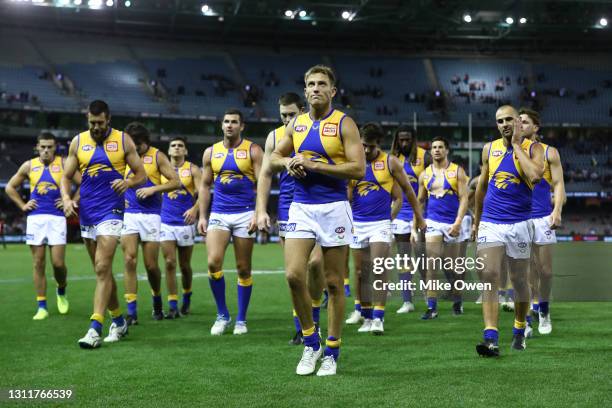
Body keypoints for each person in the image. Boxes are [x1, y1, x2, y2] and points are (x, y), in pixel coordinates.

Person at [270, 65, 366, 376]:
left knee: (335, 283)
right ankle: (312, 342)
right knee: (293, 275)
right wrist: (288, 162)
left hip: (335, 207)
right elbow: (274, 157)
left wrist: (314, 165)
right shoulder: (296, 124)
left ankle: (333, 352)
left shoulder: (344, 124)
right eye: (310, 84)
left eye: (321, 84)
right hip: (301, 207)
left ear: (332, 91)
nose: (315, 89)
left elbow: (358, 170)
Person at [61, 100, 147, 349]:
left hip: (112, 210)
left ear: (108, 119)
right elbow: (66, 177)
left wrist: (128, 183)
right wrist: (67, 198)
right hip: (87, 212)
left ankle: (95, 327)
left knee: (102, 267)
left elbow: (140, 174)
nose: (96, 127)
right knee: (103, 271)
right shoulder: (78, 142)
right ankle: (119, 320)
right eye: (92, 123)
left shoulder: (123, 141)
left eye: (100, 123)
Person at [473, 105, 544, 357]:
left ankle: (519, 326)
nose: (504, 124)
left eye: (509, 120)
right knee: (489, 274)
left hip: (520, 224)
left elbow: (535, 176)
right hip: (491, 222)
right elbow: (482, 186)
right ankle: (490, 337)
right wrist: (476, 220)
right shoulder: (488, 149)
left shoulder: (534, 149)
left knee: (519, 281)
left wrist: (516, 145)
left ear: (518, 122)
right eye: (500, 121)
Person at [254, 92, 325, 346]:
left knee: (316, 264)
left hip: (318, 203)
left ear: (302, 110)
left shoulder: (317, 130)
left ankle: (314, 312)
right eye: (283, 115)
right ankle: (303, 327)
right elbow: (265, 174)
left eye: (291, 115)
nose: (287, 120)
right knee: (295, 272)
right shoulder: (274, 137)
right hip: (287, 207)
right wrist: (260, 210)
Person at [347, 123, 425, 335]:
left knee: (379, 268)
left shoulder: (390, 162)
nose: (365, 150)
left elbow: (406, 194)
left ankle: (379, 317)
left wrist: (416, 217)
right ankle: (366, 315)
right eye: (362, 145)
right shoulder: (354, 163)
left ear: (378, 144)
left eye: (369, 147)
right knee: (362, 272)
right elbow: (347, 195)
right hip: (357, 223)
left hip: (380, 224)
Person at [197, 109, 263, 336]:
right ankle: (222, 314)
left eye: (234, 122)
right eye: (226, 121)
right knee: (214, 262)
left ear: (241, 126)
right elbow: (205, 186)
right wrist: (203, 216)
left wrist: (258, 211)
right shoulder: (210, 153)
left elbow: (261, 182)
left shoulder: (253, 150)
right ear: (221, 125)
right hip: (219, 213)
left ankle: (241, 320)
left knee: (243, 268)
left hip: (245, 213)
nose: (229, 125)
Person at [5, 132, 77, 320]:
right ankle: (42, 306)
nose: (46, 150)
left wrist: (70, 201)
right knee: (38, 263)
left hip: (57, 218)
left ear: (55, 148)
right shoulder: (29, 165)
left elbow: (84, 184)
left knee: (58, 264)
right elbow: (9, 187)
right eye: (43, 147)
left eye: (49, 147)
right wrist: (22, 205)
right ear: (37, 147)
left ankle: (61, 290)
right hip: (35, 218)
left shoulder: (64, 163)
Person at [121, 123, 180, 324]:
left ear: (145, 142)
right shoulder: (123, 156)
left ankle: (156, 298)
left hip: (151, 215)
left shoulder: (157, 156)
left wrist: (153, 190)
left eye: (137, 144)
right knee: (129, 259)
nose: (134, 149)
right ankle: (131, 312)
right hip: (128, 214)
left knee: (151, 265)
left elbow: (175, 182)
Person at [519, 107, 565, 336]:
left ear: (536, 127)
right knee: (525, 273)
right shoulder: (510, 152)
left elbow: (558, 185)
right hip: (518, 220)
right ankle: (526, 320)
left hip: (542, 219)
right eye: (518, 122)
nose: (521, 125)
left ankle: (544, 310)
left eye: (525, 122)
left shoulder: (549, 153)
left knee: (545, 272)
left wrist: (557, 210)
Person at [414, 137, 468, 319]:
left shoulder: (457, 172)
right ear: (431, 152)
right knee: (431, 264)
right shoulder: (425, 175)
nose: (436, 150)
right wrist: (415, 227)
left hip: (453, 223)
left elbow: (464, 198)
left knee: (454, 266)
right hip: (433, 222)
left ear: (447, 150)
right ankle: (432, 307)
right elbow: (420, 201)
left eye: (440, 147)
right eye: (434, 147)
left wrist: (459, 222)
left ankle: (457, 300)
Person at [389, 125, 431, 314]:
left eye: (407, 139)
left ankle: (427, 291)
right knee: (403, 256)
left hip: (420, 212)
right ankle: (407, 300)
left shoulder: (425, 156)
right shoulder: (391, 159)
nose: (404, 143)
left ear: (413, 139)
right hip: (399, 212)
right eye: (401, 139)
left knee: (421, 255)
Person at [160, 137, 201, 318]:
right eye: (173, 146)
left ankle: (187, 296)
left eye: (180, 146)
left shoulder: (193, 169)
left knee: (185, 266)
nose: (177, 148)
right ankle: (172, 304)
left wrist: (195, 209)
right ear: (168, 151)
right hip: (165, 222)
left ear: (185, 151)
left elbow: (203, 194)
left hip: (185, 223)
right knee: (169, 263)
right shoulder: (160, 169)